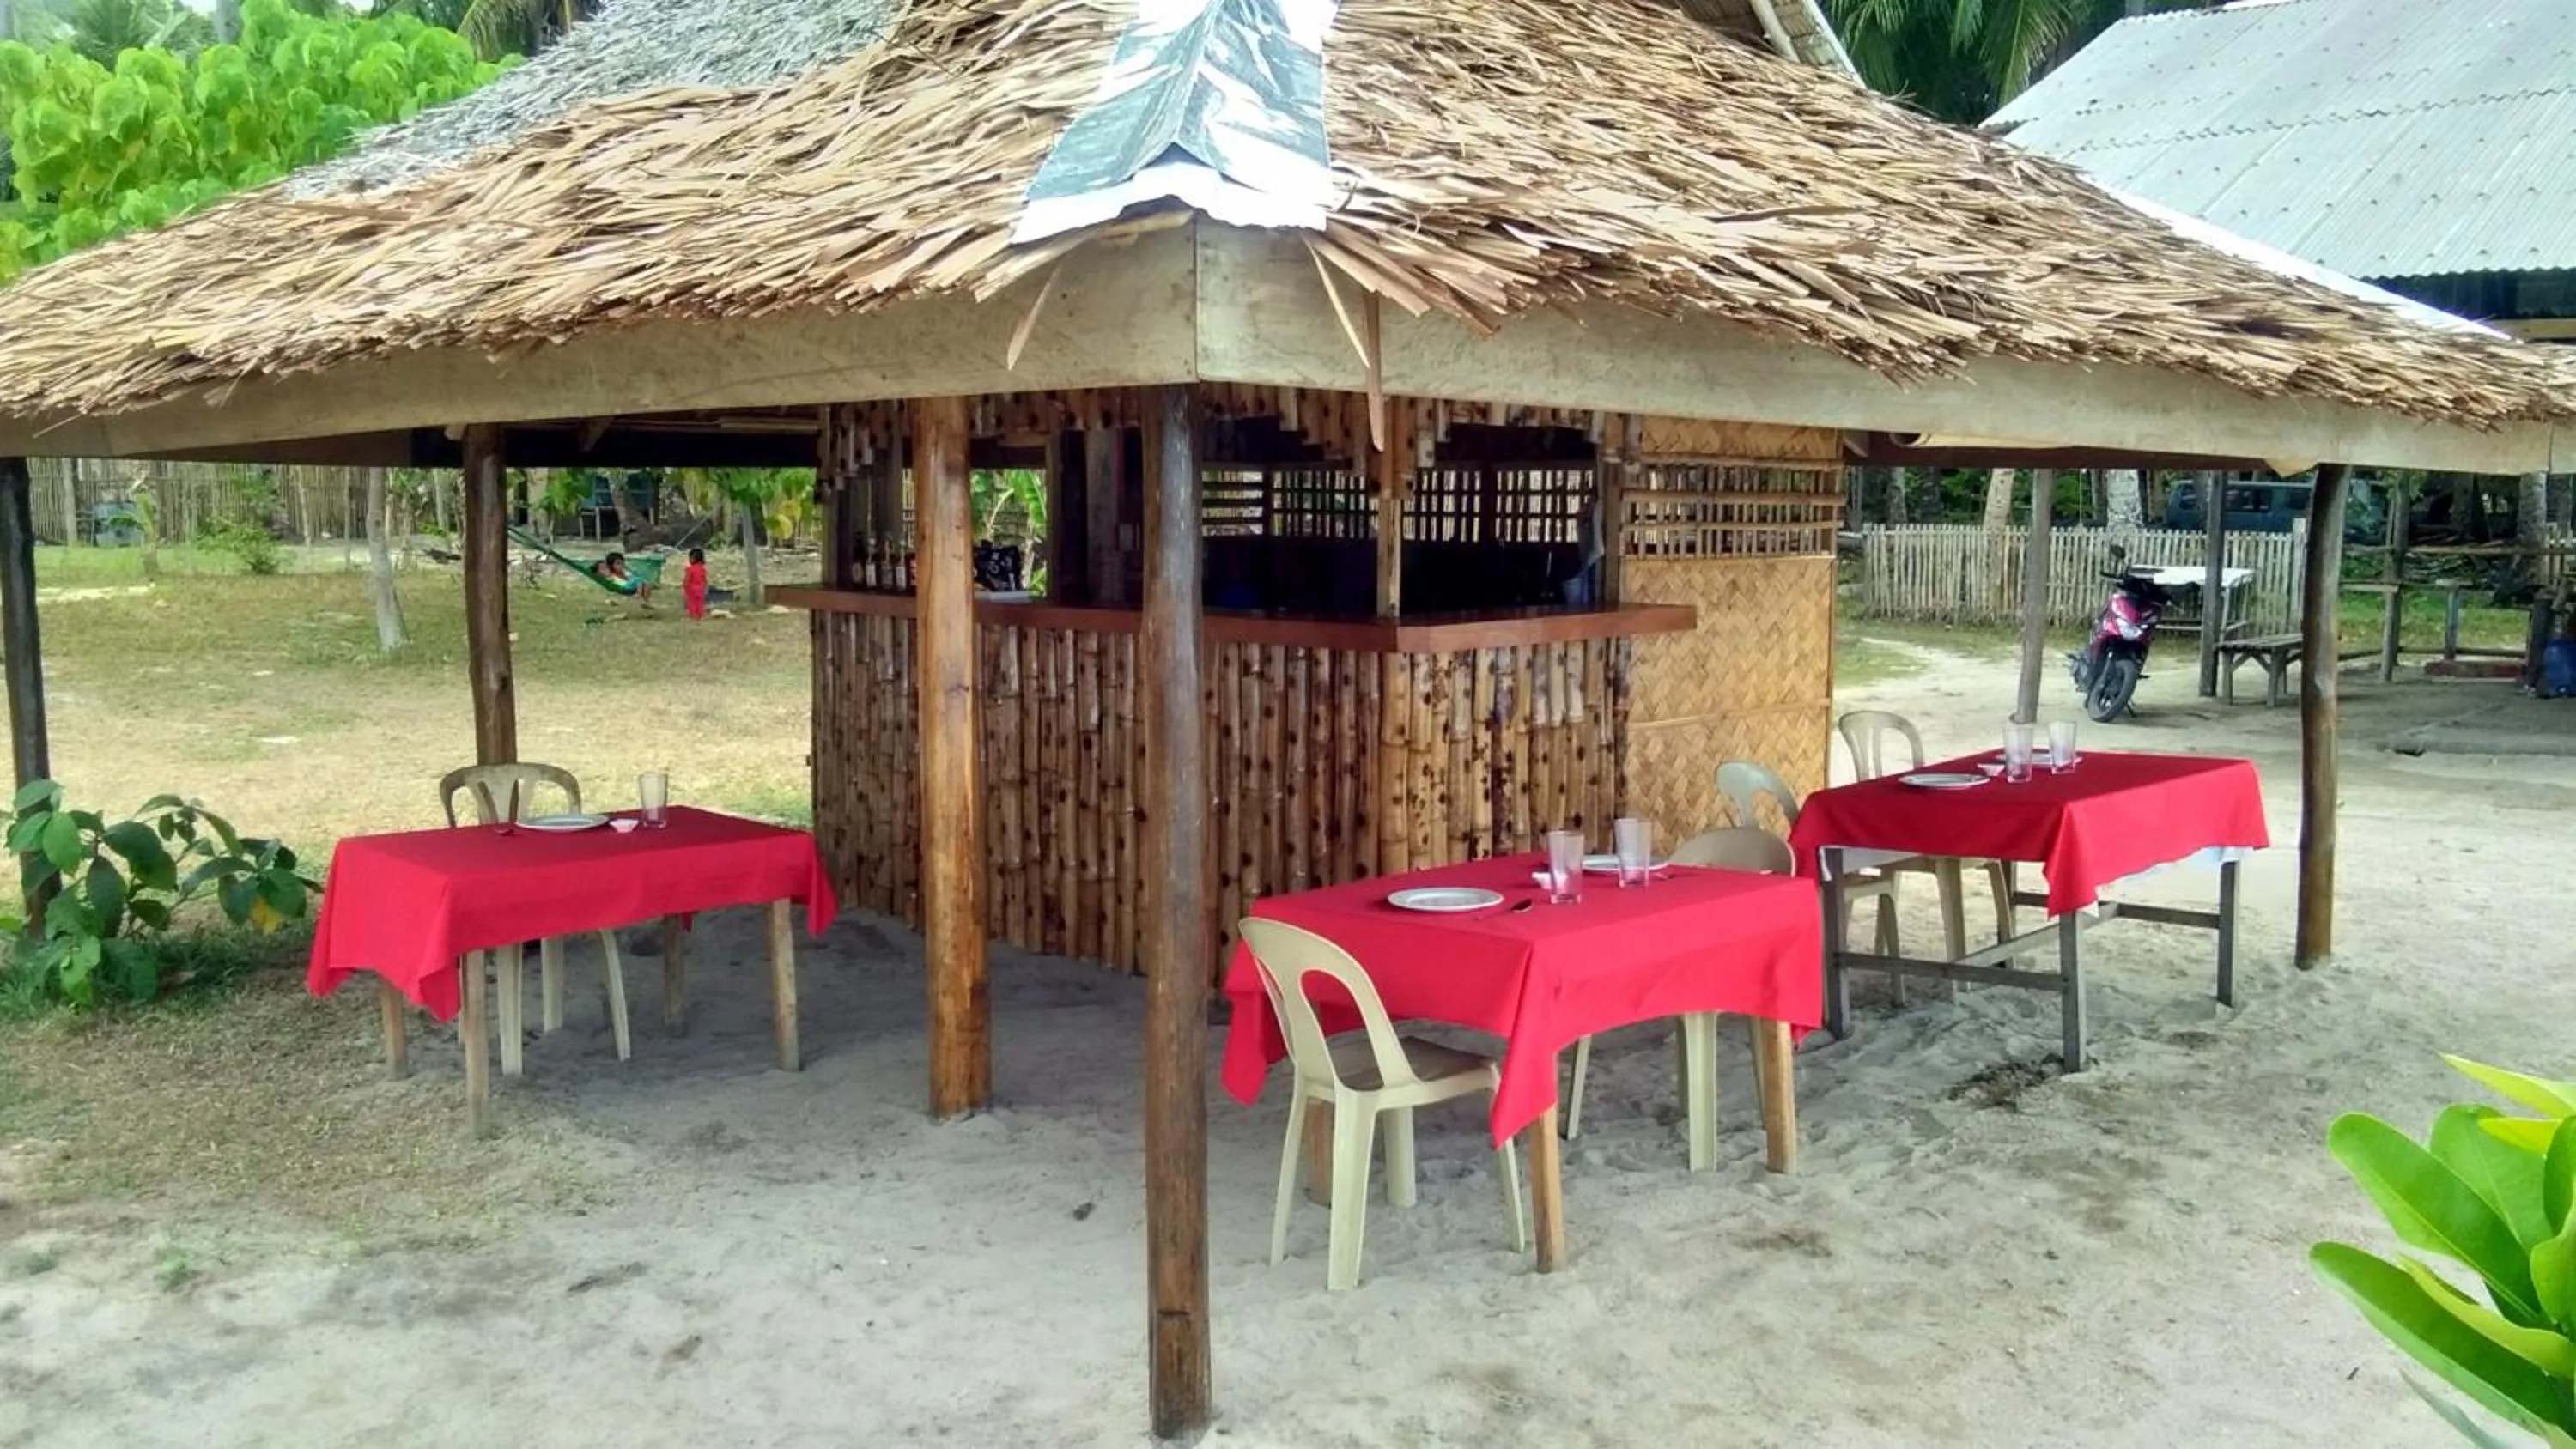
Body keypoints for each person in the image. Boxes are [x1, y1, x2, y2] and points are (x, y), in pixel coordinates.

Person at [683, 547, 709, 621]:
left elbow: (687, 579)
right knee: (700, 603)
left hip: (691, 589)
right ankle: (701, 615)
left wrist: (684, 587)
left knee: (692, 603)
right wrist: (705, 588)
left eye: (690, 558)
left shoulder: (690, 569)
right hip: (701, 589)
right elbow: (705, 580)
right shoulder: (703, 568)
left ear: (693, 558)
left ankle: (693, 616)